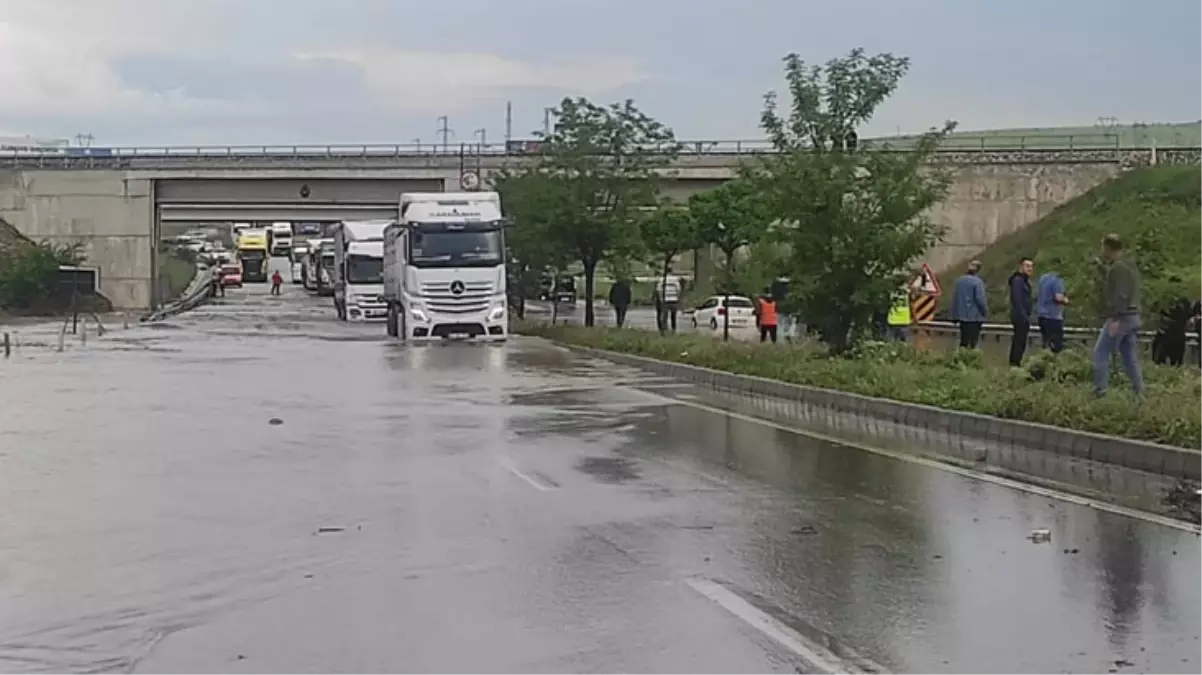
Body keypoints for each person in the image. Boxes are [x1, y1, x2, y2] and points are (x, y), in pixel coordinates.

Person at [1093, 234, 1143, 397]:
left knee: (1100, 352)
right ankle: (1139, 392)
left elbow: (1120, 295)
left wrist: (1114, 318)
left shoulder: (1117, 268)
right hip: (1134, 316)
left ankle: (1101, 391)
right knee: (1129, 356)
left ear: (1108, 248)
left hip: (1122, 317)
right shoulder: (1129, 266)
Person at [950, 260, 988, 348]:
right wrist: (984, 313)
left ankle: (961, 358)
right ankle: (970, 358)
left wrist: (954, 315)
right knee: (972, 342)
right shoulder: (977, 282)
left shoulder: (959, 281)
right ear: (978, 270)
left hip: (961, 317)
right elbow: (980, 299)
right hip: (974, 317)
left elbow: (955, 299)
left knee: (964, 340)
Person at [1007, 258, 1034, 366]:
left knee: (1021, 341)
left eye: (1031, 266)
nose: (1030, 269)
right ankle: (1015, 362)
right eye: (1027, 266)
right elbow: (1017, 299)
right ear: (1021, 267)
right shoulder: (1018, 280)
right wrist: (1023, 315)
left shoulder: (1024, 281)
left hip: (1023, 315)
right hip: (1020, 316)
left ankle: (1016, 361)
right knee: (1019, 341)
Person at [1035, 269, 1069, 352]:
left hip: (1042, 315)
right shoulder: (1057, 280)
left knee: (1046, 344)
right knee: (1055, 346)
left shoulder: (1043, 278)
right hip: (1053, 317)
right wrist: (1066, 300)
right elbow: (1058, 297)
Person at [1151, 295, 1191, 366]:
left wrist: (1162, 312)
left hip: (1172, 338)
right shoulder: (1184, 313)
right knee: (1177, 360)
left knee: (1166, 356)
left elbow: (1170, 317)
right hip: (1178, 338)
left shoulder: (1178, 312)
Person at [770, 276, 793, 341]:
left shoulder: (775, 288)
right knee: (785, 323)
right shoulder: (787, 292)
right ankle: (786, 335)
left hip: (779, 310)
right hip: (783, 310)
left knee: (781, 323)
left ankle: (785, 335)